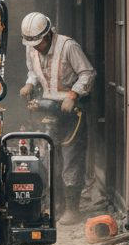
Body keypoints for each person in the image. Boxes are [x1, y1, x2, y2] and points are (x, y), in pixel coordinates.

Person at [19, 12, 96, 221]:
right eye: (32, 43)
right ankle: (56, 205)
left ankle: (73, 208)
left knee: (71, 157)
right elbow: (33, 71)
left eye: (38, 43)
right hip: (48, 109)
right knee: (50, 158)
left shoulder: (68, 46)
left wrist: (73, 94)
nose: (35, 47)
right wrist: (30, 83)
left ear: (48, 34)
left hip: (71, 111)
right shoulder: (32, 48)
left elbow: (88, 73)